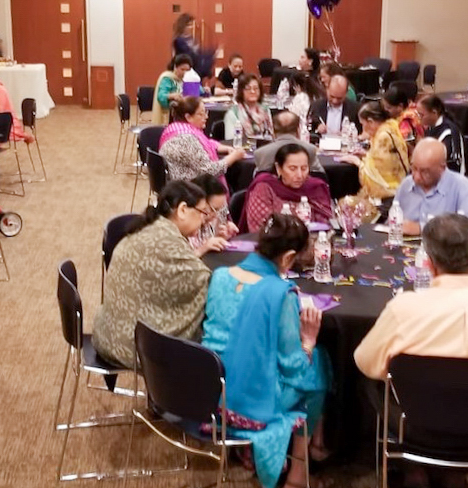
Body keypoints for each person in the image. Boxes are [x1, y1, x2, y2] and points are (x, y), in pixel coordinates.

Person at [355, 214, 468, 487]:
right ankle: (454, 474)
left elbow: (366, 363)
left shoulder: (404, 308)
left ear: (427, 262)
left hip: (419, 426)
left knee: (367, 381)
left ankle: (413, 468)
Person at [202, 213, 331, 488]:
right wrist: (307, 341)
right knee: (317, 366)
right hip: (248, 395)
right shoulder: (280, 294)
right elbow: (293, 366)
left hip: (211, 387)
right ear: (287, 258)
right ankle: (299, 474)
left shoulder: (221, 276)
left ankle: (313, 444)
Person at [94, 180, 212, 368]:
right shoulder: (166, 243)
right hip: (131, 347)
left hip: (108, 332)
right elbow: (209, 283)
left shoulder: (150, 228)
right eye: (203, 212)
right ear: (182, 210)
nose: (205, 219)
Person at [394, 139, 468, 235]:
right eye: (414, 168)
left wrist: (422, 229)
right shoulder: (406, 184)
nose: (417, 177)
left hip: (444, 248)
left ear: (442, 168)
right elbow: (392, 221)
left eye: (424, 172)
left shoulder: (461, 187)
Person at [244, 144, 333, 233]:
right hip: (272, 243)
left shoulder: (315, 188)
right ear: (279, 168)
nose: (299, 175)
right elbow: (259, 229)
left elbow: (325, 225)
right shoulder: (265, 187)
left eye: (304, 168)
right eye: (292, 169)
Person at [158, 97, 244, 183]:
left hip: (179, 183)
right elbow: (210, 171)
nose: (206, 117)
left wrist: (222, 147)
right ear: (188, 117)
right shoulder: (186, 139)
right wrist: (233, 157)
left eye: (206, 112)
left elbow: (204, 143)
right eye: (201, 114)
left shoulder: (176, 129)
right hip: (189, 188)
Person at [342, 102, 409, 200]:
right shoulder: (391, 128)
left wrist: (356, 161)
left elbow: (374, 177)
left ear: (371, 122)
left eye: (363, 124)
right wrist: (366, 154)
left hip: (390, 194)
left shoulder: (383, 137)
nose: (363, 129)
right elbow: (385, 161)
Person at [254, 111, 325, 175]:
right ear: (298, 130)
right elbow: (320, 175)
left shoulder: (261, 153)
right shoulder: (310, 149)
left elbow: (257, 179)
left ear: (273, 130)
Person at [187, 173, 239, 256]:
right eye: (213, 209)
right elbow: (177, 265)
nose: (216, 215)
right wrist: (202, 250)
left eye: (219, 210)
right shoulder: (182, 228)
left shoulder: (207, 223)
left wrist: (220, 239)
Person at [416, 95, 463, 173]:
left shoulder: (448, 133)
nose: (419, 118)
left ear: (434, 113)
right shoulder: (431, 127)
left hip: (449, 176)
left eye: (421, 115)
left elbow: (444, 162)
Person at [223, 74, 273, 139]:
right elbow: (231, 141)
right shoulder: (233, 114)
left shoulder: (265, 109)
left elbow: (271, 135)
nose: (252, 91)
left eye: (256, 88)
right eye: (248, 89)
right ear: (241, 91)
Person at [309, 75, 358, 139]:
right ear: (327, 89)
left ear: (346, 93)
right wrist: (317, 129)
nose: (335, 101)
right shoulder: (316, 106)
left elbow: (361, 133)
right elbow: (308, 130)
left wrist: (350, 135)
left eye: (339, 98)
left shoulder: (355, 109)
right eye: (332, 96)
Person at [170, 13, 215, 80]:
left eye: (192, 25)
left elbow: (199, 55)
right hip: (184, 73)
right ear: (182, 26)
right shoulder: (179, 41)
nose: (191, 27)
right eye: (188, 25)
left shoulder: (192, 40)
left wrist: (211, 54)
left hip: (194, 73)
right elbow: (191, 56)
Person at [154, 54, 190, 125]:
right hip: (173, 114)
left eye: (187, 70)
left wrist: (204, 90)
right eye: (182, 69)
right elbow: (161, 96)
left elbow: (198, 90)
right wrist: (171, 96)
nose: (185, 72)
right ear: (175, 67)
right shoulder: (167, 78)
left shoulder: (189, 78)